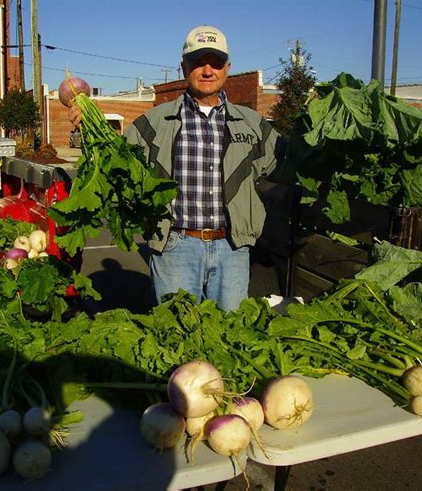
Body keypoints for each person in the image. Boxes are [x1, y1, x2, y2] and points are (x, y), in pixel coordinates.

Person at [70, 25, 281, 311]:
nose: (207, 70)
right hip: (176, 247)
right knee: (176, 335)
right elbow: (114, 164)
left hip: (232, 248)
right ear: (184, 67)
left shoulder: (253, 124)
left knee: (231, 336)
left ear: (227, 68)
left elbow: (287, 165)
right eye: (198, 62)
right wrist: (88, 129)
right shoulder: (153, 123)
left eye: (215, 62)